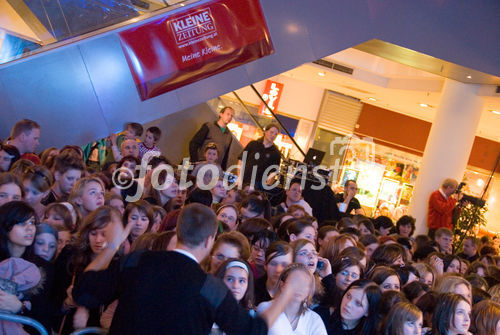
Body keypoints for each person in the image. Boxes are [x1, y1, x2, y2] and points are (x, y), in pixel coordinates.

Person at [72, 203, 305, 335]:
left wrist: (112, 245)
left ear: (179, 232)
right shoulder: (210, 287)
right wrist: (286, 293)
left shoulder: (137, 261)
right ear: (209, 241)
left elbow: (82, 290)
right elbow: (251, 331)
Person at [257, 264, 327, 335]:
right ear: (282, 285)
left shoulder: (314, 319)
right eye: (294, 282)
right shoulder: (266, 307)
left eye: (305, 284)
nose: (299, 287)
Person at [238, 123, 281, 190]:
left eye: (275, 134)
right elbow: (241, 160)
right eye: (271, 132)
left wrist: (266, 187)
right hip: (244, 180)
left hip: (259, 185)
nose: (273, 135)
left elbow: (273, 172)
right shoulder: (253, 144)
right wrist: (239, 177)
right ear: (265, 132)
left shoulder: (276, 153)